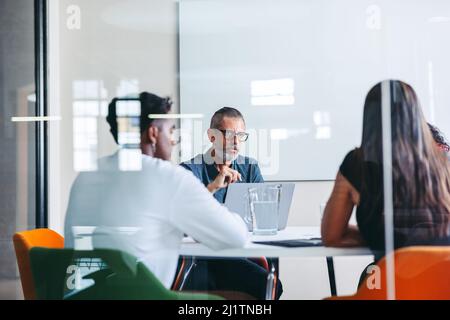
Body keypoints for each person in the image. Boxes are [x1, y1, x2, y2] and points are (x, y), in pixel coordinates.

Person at [64, 92, 249, 294]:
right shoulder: (169, 177)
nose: (173, 141)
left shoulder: (87, 174)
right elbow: (235, 237)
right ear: (153, 133)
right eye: (170, 131)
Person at [321, 80, 450, 252]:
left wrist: (381, 238)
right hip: (443, 276)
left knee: (370, 277)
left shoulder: (357, 165)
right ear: (416, 117)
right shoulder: (443, 162)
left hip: (393, 276)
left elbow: (332, 236)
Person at [179, 107, 283, 299]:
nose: (236, 142)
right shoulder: (189, 170)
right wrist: (213, 187)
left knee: (272, 283)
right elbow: (184, 220)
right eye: (229, 135)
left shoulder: (249, 167)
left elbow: (264, 216)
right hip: (204, 257)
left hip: (241, 251)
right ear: (211, 137)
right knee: (265, 283)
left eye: (241, 135)